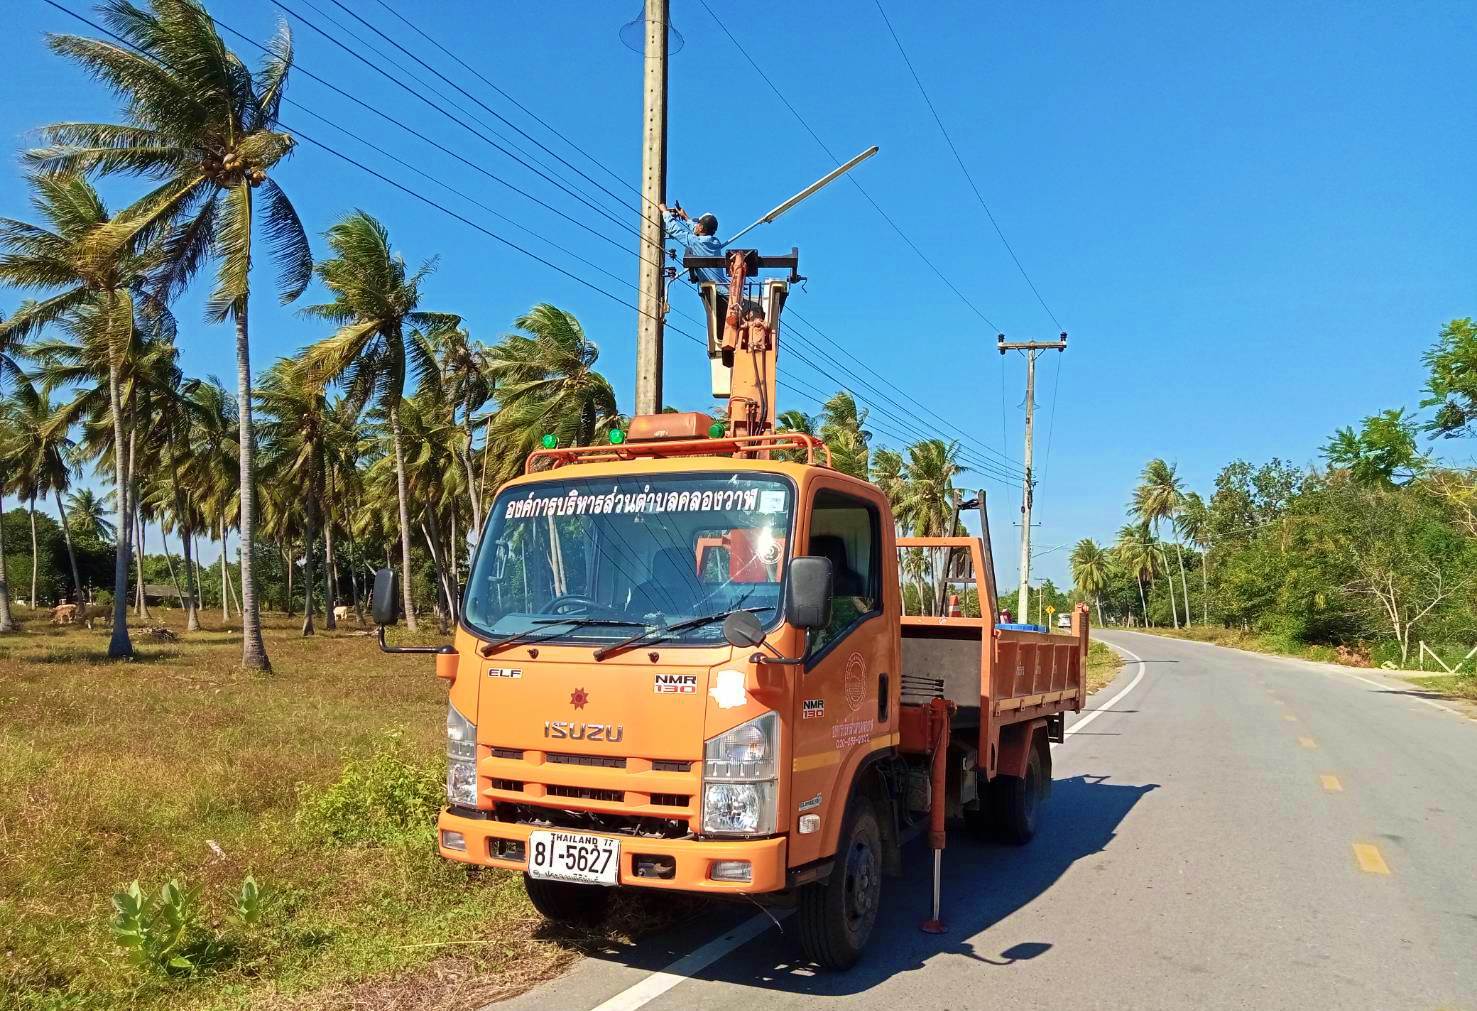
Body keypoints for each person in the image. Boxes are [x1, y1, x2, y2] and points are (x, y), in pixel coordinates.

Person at [660, 203, 725, 282]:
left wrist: (665, 211)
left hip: (713, 288)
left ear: (701, 228)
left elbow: (674, 230)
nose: (696, 225)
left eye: (698, 223)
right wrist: (685, 217)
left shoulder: (695, 242)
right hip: (722, 286)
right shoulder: (716, 242)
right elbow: (697, 230)